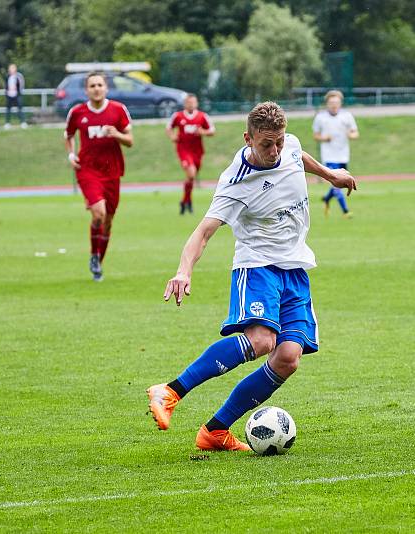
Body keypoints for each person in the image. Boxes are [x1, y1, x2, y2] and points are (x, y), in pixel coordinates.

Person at [147, 102, 357, 451]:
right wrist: (183, 271)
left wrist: (330, 174)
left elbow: (298, 154)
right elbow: (202, 233)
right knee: (261, 341)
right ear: (248, 138)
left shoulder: (287, 145)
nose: (274, 151)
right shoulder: (236, 183)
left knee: (288, 357)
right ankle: (170, 391)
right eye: (265, 144)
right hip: (257, 266)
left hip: (295, 268)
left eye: (278, 141)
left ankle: (215, 431)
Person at [64, 72, 133, 282]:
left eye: (100, 85)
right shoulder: (77, 112)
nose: (96, 88)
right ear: (86, 90)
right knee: (99, 214)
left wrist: (116, 134)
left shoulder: (118, 110)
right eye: (92, 85)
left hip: (112, 170)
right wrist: (71, 154)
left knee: (109, 220)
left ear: (106, 88)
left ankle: (98, 262)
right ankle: (94, 256)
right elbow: (68, 135)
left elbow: (130, 140)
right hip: (88, 169)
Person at [166, 94, 215, 214]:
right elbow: (168, 128)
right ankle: (187, 202)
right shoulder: (178, 116)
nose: (191, 104)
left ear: (196, 103)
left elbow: (212, 130)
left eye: (193, 102)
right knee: (191, 174)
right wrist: (172, 136)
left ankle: (185, 201)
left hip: (197, 151)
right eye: (188, 102)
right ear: (185, 104)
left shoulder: (202, 116)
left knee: (191, 177)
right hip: (183, 150)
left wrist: (203, 131)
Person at [312, 90, 358, 218]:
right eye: (331, 102)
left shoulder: (347, 116)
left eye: (336, 102)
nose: (334, 105)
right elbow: (316, 135)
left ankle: (326, 199)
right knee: (336, 181)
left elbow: (355, 133)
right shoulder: (320, 117)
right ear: (327, 103)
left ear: (340, 103)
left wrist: (350, 135)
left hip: (343, 154)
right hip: (329, 156)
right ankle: (345, 211)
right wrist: (324, 138)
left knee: (341, 182)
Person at [4, 64, 27, 129]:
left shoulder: (19, 76)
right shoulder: (7, 76)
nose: (11, 70)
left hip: (17, 95)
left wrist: (19, 92)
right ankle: (7, 123)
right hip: (9, 95)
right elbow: (6, 85)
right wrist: (6, 92)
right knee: (8, 110)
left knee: (20, 109)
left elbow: (22, 84)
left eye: (12, 68)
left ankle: (23, 122)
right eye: (10, 68)